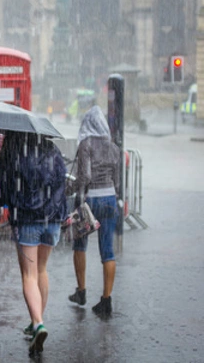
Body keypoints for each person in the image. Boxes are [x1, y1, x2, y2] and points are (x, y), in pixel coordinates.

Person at [0, 132, 67, 355]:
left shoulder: (14, 153)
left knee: (29, 275)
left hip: (28, 219)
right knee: (42, 270)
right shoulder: (52, 150)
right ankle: (37, 321)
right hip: (52, 219)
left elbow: (3, 191)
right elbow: (62, 182)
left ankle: (38, 323)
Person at [68, 105, 121, 317]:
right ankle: (106, 300)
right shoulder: (113, 147)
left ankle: (81, 291)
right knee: (107, 251)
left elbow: (85, 177)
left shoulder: (85, 144)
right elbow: (117, 180)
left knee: (79, 245)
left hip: (90, 200)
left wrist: (72, 190)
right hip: (109, 199)